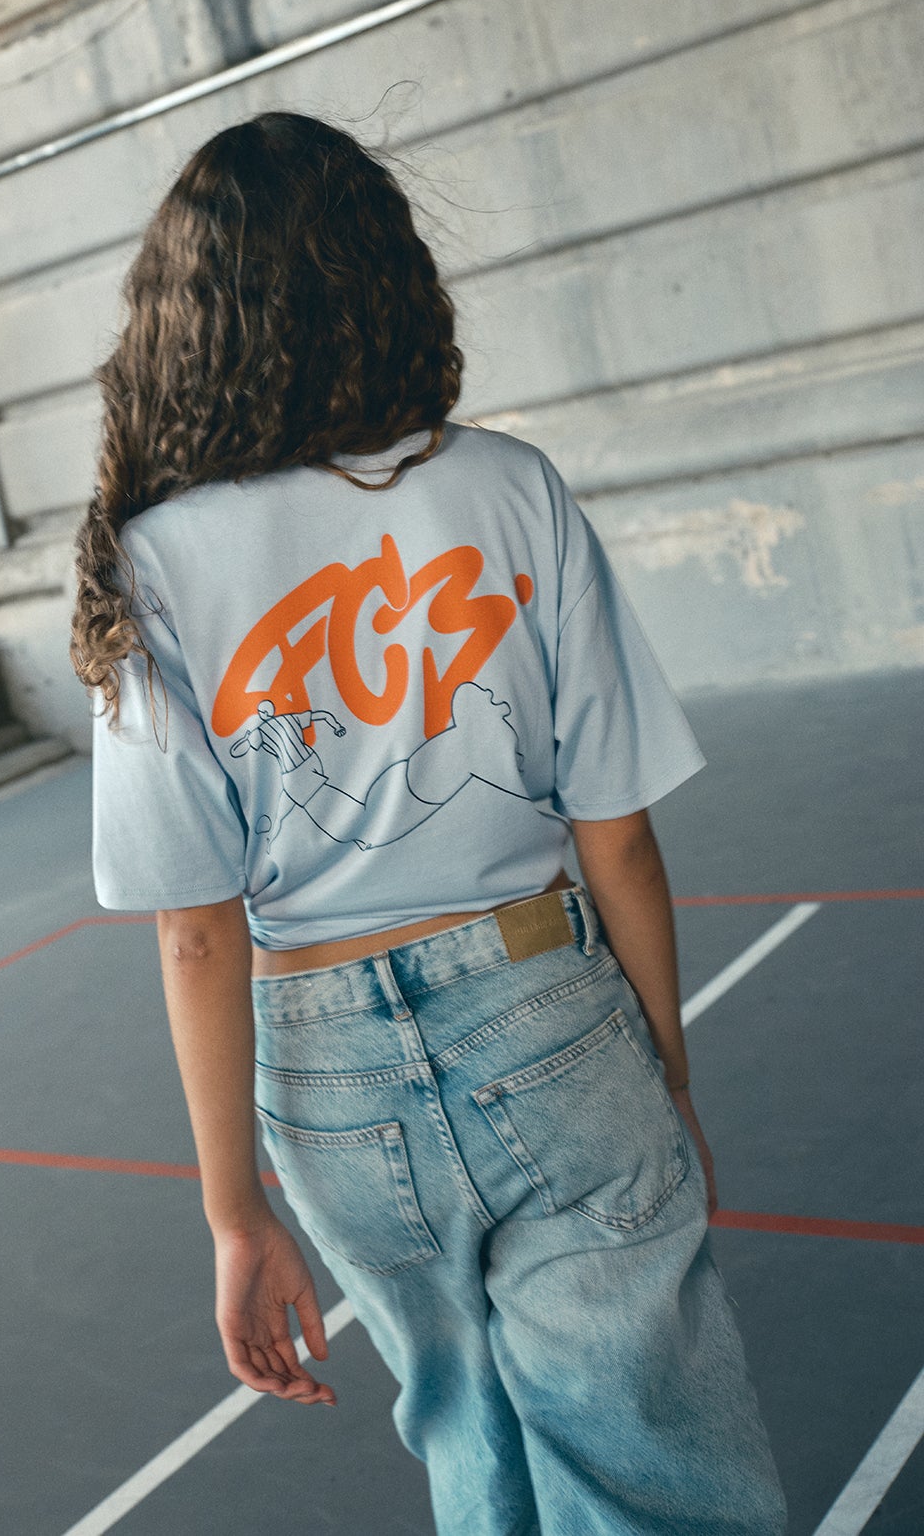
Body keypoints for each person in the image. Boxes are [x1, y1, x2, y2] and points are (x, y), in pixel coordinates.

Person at [71, 112, 788, 1536]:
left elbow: (197, 930)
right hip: (545, 1007)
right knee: (647, 1457)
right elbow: (618, 837)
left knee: (473, 1445)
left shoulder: (147, 562)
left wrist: (236, 1216)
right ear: (389, 280)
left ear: (181, 326)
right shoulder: (506, 488)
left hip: (322, 1068)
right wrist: (668, 1077)